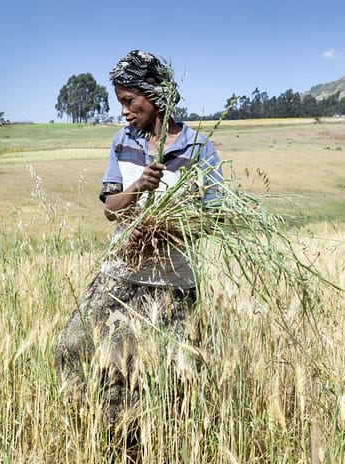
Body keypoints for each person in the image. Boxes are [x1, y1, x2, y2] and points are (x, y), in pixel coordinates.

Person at [54, 50, 223, 435]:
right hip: (121, 275)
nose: (125, 112)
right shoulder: (122, 142)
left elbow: (215, 218)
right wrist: (137, 188)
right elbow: (111, 208)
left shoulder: (198, 149)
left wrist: (168, 228)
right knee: (73, 346)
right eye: (120, 103)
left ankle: (151, 443)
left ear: (156, 95)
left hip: (173, 282)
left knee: (160, 378)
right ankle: (102, 436)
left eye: (130, 101)